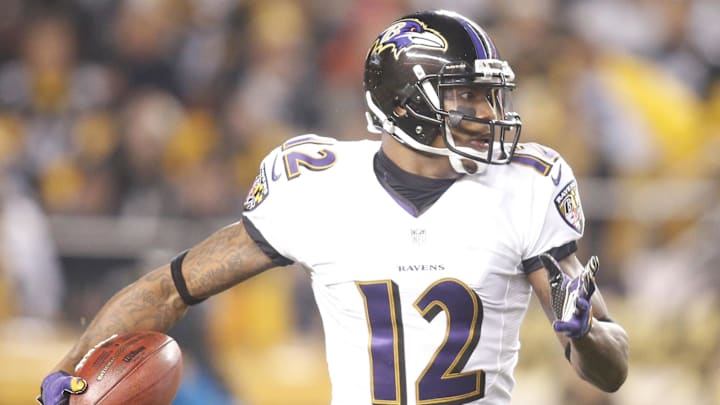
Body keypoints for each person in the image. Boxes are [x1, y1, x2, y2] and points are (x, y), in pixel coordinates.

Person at [38, 10, 628, 405]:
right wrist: (68, 370)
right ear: (405, 103)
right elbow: (169, 290)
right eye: (466, 95)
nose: (486, 112)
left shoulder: (523, 186)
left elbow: (610, 369)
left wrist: (583, 332)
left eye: (488, 95)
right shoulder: (318, 186)